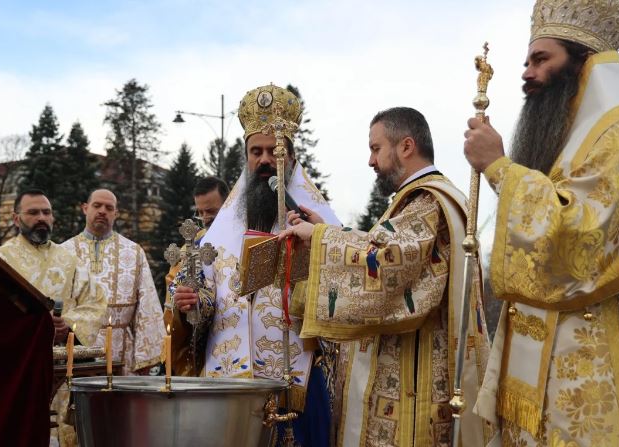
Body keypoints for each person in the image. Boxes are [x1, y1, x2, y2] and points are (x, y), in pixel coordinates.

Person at [463, 1, 619, 445]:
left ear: (583, 65)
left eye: (542, 60)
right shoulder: (568, 145)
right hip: (554, 373)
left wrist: (499, 168)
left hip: (605, 372)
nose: (526, 72)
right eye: (527, 61)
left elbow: (579, 237)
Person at [280, 107, 491, 446]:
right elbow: (387, 246)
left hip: (414, 388)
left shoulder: (427, 200)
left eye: (376, 148)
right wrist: (326, 230)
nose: (370, 161)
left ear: (406, 146)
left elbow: (390, 265)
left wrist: (320, 240)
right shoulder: (417, 202)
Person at [172, 84, 341, 446]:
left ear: (292, 159)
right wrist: (192, 303)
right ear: (246, 157)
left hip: (296, 381)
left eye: (274, 152)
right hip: (229, 382)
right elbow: (206, 302)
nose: (264, 160)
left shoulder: (321, 227)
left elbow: (339, 299)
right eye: (256, 152)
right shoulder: (218, 233)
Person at [0, 188, 105, 447]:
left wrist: (68, 325)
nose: (41, 217)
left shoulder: (69, 260)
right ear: (16, 218)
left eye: (46, 212)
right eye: (33, 212)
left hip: (64, 368)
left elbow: (96, 302)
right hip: (19, 365)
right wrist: (35, 328)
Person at [61, 189, 166, 376]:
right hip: (76, 350)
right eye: (97, 205)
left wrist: (145, 358)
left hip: (121, 352)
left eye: (109, 208)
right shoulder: (63, 252)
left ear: (115, 214)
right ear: (85, 208)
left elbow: (147, 308)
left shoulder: (134, 252)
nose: (102, 211)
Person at [163, 176, 229, 376]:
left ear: (228, 205)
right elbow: (173, 287)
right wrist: (181, 302)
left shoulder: (245, 239)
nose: (205, 218)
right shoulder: (191, 248)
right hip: (206, 348)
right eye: (200, 212)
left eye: (211, 212)